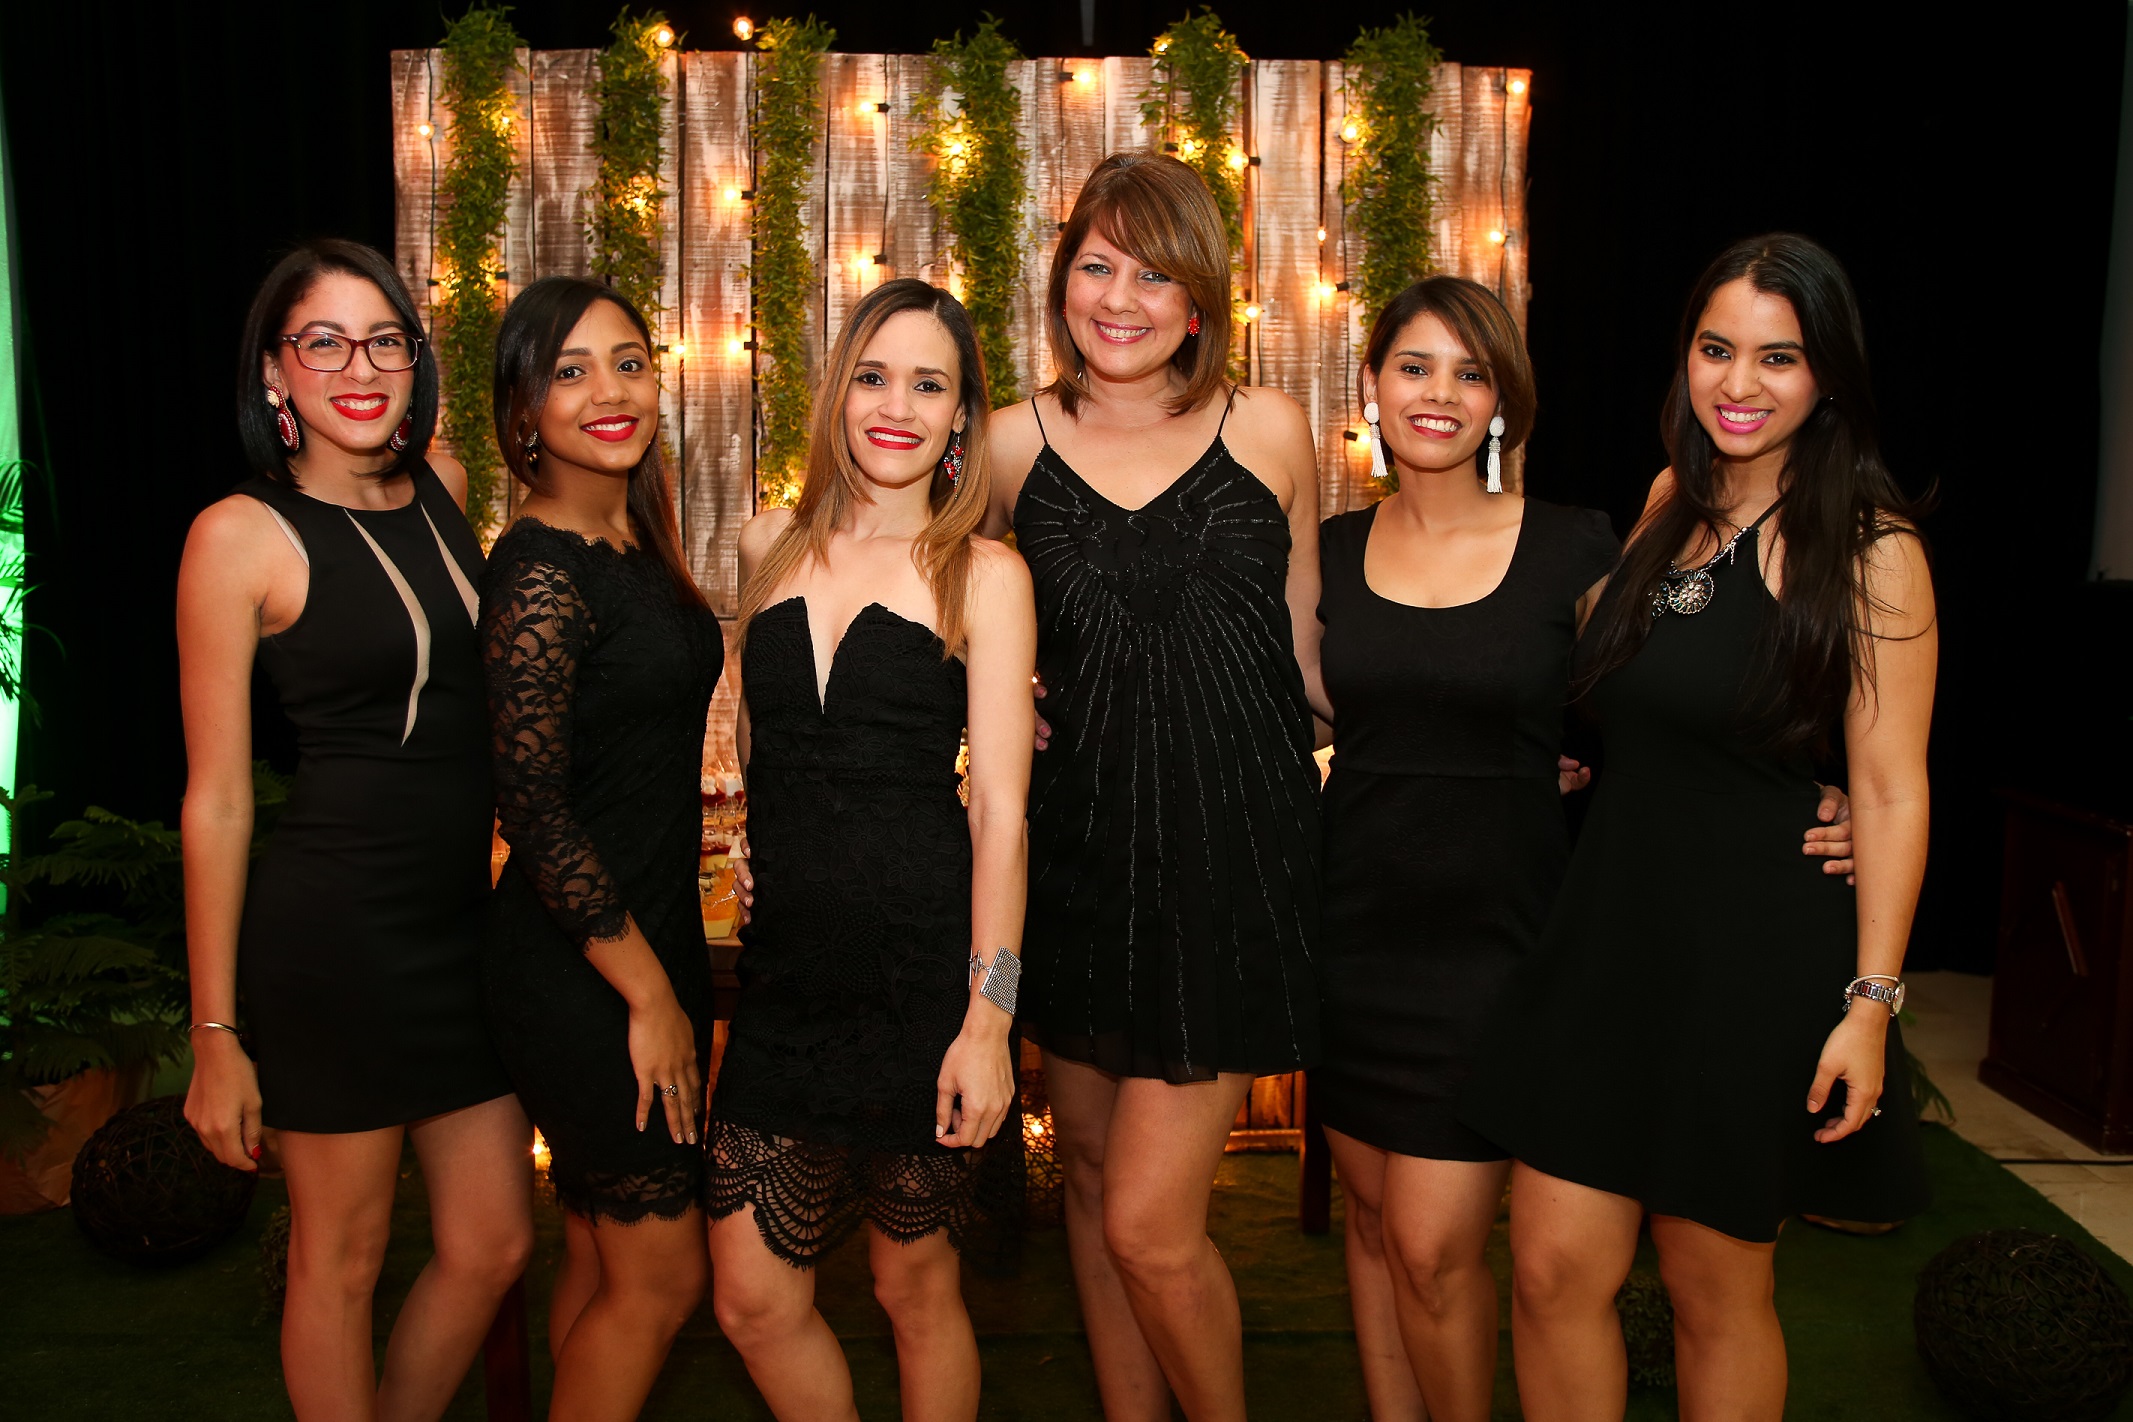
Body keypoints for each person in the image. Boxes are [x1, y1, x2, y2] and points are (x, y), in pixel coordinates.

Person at [1313, 274, 1855, 1422]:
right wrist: (1048, 689)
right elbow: (1294, 703)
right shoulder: (1330, 549)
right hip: (1355, 936)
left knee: (1434, 1247)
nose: (1439, 393)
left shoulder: (1578, 547)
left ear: (1504, 402)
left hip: (1514, 943)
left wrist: (1808, 792)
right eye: (1413, 367)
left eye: (1470, 372)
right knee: (1375, 1229)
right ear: (1370, 386)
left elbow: (1675, 692)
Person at [1459, 233, 1934, 1421]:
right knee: (1551, 1270)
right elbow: (1636, 692)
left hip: (1748, 959)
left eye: (1779, 357)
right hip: (1609, 934)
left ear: (1828, 376)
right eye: (1717, 349)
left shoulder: (1871, 548)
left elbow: (1889, 789)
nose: (1740, 382)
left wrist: (1871, 1005)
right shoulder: (1669, 501)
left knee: (1713, 1287)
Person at [979, 151, 1325, 1422]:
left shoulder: (1272, 429)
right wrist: (985, 691)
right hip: (1081, 865)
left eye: (1155, 274)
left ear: (1200, 300)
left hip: (1234, 866)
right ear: (1061, 277)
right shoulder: (1006, 443)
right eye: (1097, 266)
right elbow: (950, 614)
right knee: (1086, 1180)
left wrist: (1495, 730)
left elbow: (1309, 660)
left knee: (1148, 1223)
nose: (1120, 299)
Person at [178, 238, 531, 1422]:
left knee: (492, 1243)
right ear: (274, 372)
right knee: (342, 1260)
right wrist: (216, 1031)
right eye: (323, 343)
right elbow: (218, 799)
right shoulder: (239, 535)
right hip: (334, 937)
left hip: (459, 931)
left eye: (384, 340)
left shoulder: (446, 486)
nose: (360, 367)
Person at [708, 277, 1033, 1422]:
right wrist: (760, 849)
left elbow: (1001, 814)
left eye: (929, 386)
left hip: (923, 981)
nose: (897, 407)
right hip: (788, 980)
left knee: (914, 1287)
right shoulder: (765, 541)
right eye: (874, 377)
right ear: (837, 393)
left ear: (961, 419)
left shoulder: (986, 575)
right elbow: (762, 743)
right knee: (750, 1300)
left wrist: (989, 1021)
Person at [480, 276, 725, 1421]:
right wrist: (650, 996)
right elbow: (532, 812)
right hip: (586, 970)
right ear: (523, 410)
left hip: (644, 941)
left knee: (596, 1255)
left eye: (628, 362)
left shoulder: (628, 536)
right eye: (570, 372)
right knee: (662, 1279)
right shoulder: (541, 566)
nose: (610, 392)